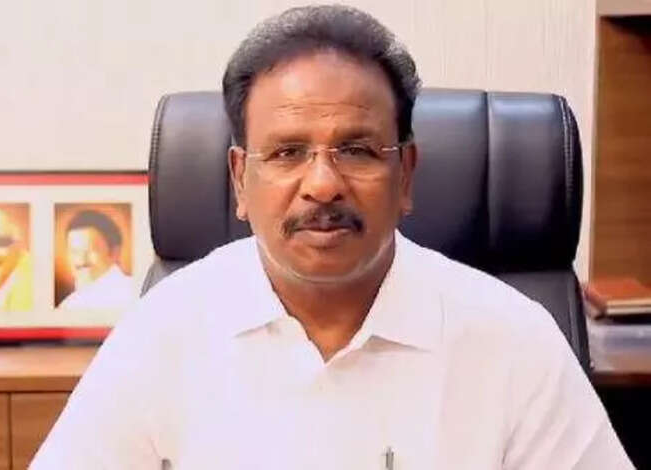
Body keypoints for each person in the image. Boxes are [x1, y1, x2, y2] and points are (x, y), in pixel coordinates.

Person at [32, 5, 632, 469]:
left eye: (358, 150)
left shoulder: (513, 340)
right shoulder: (166, 328)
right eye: (288, 153)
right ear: (240, 180)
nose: (322, 185)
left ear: (406, 175)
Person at [57, 209, 135, 310]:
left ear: (114, 252)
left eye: (90, 250)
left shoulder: (133, 293)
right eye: (75, 252)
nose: (81, 260)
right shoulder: (68, 304)